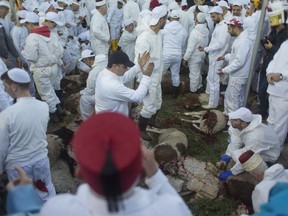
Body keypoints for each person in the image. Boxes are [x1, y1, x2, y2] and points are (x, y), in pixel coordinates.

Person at [5, 112, 193, 216]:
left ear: (79, 172)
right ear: (139, 168)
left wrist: (22, 197)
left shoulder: (58, 209)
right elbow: (178, 207)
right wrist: (155, 175)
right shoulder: (167, 209)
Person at [0, 68, 56, 202]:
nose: (5, 90)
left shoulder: (7, 115)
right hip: (41, 158)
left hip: (18, 165)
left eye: (5, 86)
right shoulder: (43, 106)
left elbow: (2, 147)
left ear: (13, 87)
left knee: (24, 198)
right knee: (46, 190)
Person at [21, 12, 65, 123]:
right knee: (51, 90)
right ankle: (58, 109)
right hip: (53, 67)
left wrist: (23, 52)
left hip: (41, 69)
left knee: (46, 93)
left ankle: (53, 115)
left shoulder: (32, 37)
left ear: (30, 24)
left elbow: (31, 57)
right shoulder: (51, 34)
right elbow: (60, 51)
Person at [217, 107, 281, 181]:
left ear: (243, 124)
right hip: (255, 146)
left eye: (235, 120)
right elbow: (236, 140)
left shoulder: (256, 137)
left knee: (240, 157)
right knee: (233, 153)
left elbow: (248, 157)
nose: (231, 121)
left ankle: (265, 172)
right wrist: (228, 155)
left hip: (269, 153)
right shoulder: (240, 125)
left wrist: (233, 172)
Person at [134, 5, 168, 141]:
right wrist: (144, 83)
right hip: (148, 77)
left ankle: (151, 121)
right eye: (166, 19)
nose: (167, 21)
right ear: (161, 20)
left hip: (157, 75)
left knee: (158, 102)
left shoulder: (157, 34)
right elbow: (141, 63)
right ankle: (140, 129)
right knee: (149, 105)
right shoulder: (145, 38)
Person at [95, 51, 154, 116]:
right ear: (114, 66)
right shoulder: (112, 85)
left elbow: (124, 77)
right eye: (124, 67)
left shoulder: (105, 73)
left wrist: (139, 66)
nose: (127, 69)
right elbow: (137, 97)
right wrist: (146, 77)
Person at [217, 17, 253, 115]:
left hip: (238, 76)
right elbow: (235, 56)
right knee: (234, 98)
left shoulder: (243, 41)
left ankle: (232, 123)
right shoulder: (240, 39)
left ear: (236, 28)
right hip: (237, 75)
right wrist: (225, 57)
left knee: (233, 100)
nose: (228, 32)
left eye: (229, 29)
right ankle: (230, 116)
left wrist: (224, 70)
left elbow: (239, 61)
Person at [198, 6, 230, 109]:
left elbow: (220, 44)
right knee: (210, 78)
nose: (212, 19)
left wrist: (206, 49)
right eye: (211, 17)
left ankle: (213, 103)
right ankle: (210, 96)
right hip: (214, 56)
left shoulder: (223, 27)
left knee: (214, 81)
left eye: (214, 17)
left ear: (220, 15)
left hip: (217, 57)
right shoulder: (220, 25)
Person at [266, 39, 288, 148]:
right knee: (271, 120)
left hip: (284, 92)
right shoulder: (285, 43)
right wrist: (269, 72)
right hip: (273, 88)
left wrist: (282, 75)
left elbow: (283, 73)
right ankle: (268, 146)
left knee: (280, 124)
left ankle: (276, 149)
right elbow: (274, 60)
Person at [162, 9, 188, 98]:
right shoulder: (183, 30)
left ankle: (158, 92)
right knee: (175, 74)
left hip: (166, 54)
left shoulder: (165, 28)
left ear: (170, 17)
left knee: (160, 73)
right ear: (179, 18)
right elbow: (183, 45)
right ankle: (175, 94)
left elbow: (161, 41)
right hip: (177, 54)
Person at [183, 12, 209, 93]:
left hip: (194, 56)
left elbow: (190, 48)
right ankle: (199, 86)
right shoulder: (206, 30)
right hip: (202, 54)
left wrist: (185, 58)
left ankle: (193, 91)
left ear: (197, 20)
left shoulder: (194, 32)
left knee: (193, 74)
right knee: (198, 72)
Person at [79, 50, 108, 120]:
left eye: (84, 61)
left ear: (87, 60)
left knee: (84, 99)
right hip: (112, 92)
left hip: (106, 97)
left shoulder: (94, 71)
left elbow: (89, 90)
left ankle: (87, 121)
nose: (85, 63)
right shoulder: (105, 62)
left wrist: (80, 93)